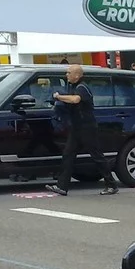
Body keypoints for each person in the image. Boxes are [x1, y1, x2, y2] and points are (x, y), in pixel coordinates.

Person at [46, 64, 118, 197]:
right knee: (68, 155)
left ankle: (111, 184)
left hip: (87, 127)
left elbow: (76, 99)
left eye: (69, 73)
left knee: (96, 156)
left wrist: (59, 97)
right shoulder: (72, 87)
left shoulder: (82, 87)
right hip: (76, 127)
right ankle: (62, 186)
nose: (66, 75)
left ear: (77, 75)